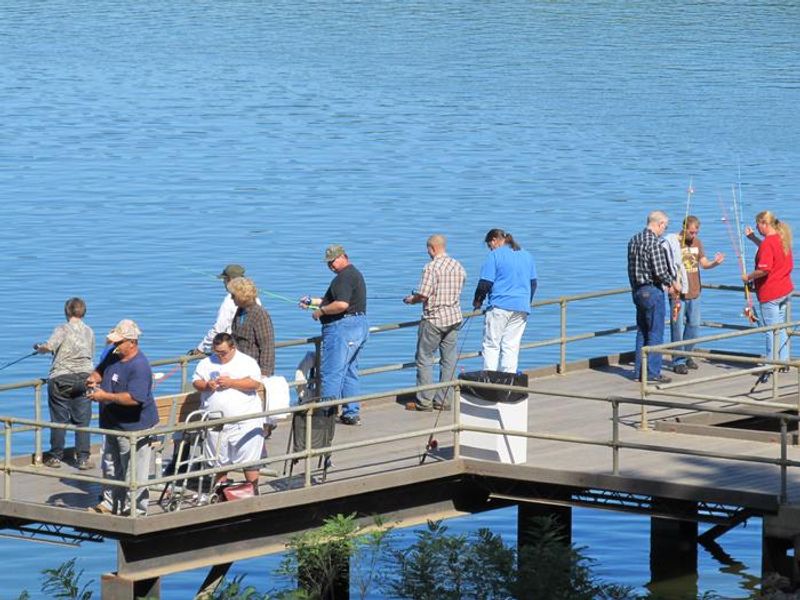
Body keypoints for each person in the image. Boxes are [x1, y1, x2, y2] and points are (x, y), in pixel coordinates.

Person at [86, 319, 158, 516]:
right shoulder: (113, 354)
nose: (114, 346)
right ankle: (110, 504)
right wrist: (93, 378)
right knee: (110, 466)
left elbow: (135, 398)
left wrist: (104, 396)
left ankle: (134, 509)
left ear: (132, 342)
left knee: (134, 470)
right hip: (112, 423)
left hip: (133, 427)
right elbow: (100, 371)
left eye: (119, 342)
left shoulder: (139, 366)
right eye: (114, 342)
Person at [300, 245, 369, 426]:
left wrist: (320, 312)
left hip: (343, 329)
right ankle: (351, 413)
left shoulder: (343, 278)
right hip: (359, 325)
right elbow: (335, 300)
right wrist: (312, 302)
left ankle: (326, 415)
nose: (330, 265)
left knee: (331, 372)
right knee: (349, 371)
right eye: (328, 262)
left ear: (344, 257)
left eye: (333, 261)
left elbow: (341, 305)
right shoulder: (354, 274)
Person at [192, 333, 264, 491]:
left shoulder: (246, 362)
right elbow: (196, 382)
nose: (220, 356)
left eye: (223, 353)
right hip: (216, 422)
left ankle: (253, 489)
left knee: (249, 459)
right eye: (217, 352)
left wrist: (231, 383)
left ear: (233, 348)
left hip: (244, 420)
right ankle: (220, 489)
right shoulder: (206, 363)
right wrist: (206, 385)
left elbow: (254, 383)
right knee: (218, 460)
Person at [403, 234, 466, 411]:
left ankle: (424, 400)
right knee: (449, 360)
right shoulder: (457, 265)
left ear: (432, 248)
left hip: (434, 319)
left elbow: (423, 294)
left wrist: (411, 299)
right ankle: (444, 400)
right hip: (454, 318)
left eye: (428, 249)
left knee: (424, 358)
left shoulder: (431, 268)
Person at [34, 297, 96, 470]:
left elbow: (49, 346)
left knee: (58, 420)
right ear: (83, 312)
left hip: (61, 379)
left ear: (67, 312)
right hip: (85, 378)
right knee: (83, 421)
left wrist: (40, 347)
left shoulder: (62, 329)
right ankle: (83, 458)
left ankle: (55, 457)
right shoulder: (89, 331)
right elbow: (90, 354)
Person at [663, 216, 724, 374]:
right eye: (691, 232)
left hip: (695, 291)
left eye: (696, 232)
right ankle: (678, 360)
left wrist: (715, 263)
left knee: (694, 326)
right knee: (677, 327)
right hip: (678, 293)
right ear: (684, 228)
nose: (694, 235)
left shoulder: (697, 243)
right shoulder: (674, 243)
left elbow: (703, 263)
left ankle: (688, 354)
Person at [472, 229, 537, 374]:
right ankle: (508, 379)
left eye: (490, 245)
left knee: (491, 344)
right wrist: (527, 301)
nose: (490, 248)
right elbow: (533, 284)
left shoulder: (494, 255)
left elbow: (485, 283)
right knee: (511, 345)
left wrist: (477, 301)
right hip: (522, 307)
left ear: (495, 240)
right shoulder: (527, 255)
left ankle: (489, 378)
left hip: (500, 306)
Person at [627, 211, 681, 383]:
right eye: (665, 226)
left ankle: (638, 372)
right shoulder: (654, 243)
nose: (664, 230)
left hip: (637, 290)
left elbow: (630, 268)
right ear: (659, 224)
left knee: (642, 331)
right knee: (656, 333)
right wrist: (673, 283)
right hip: (652, 291)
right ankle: (652, 372)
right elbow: (660, 271)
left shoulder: (634, 240)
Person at [743, 211, 794, 364]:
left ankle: (770, 363)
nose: (756, 228)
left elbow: (765, 269)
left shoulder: (768, 242)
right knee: (780, 327)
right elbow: (768, 249)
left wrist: (748, 277)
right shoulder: (781, 238)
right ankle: (783, 360)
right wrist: (753, 238)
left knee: (771, 330)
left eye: (757, 225)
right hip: (785, 290)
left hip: (771, 293)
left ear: (764, 224)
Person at [188, 264, 261, 356]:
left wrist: (201, 349)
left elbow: (218, 329)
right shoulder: (255, 298)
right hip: (253, 350)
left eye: (224, 279)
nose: (223, 282)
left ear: (229, 280)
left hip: (235, 351)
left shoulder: (229, 301)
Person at [228, 277, 275, 378]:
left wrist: (264, 373)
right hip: (238, 365)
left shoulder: (260, 315)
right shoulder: (239, 311)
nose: (231, 298)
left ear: (241, 296)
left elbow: (267, 346)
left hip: (253, 368)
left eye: (233, 295)